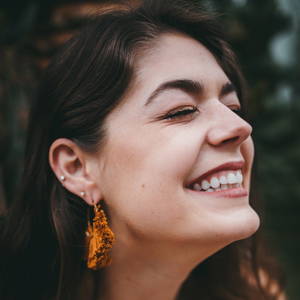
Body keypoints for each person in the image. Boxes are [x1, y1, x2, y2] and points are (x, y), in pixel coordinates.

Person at [0, 0, 285, 299]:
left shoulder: (255, 292)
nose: (240, 127)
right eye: (181, 110)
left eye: (233, 107)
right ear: (77, 168)